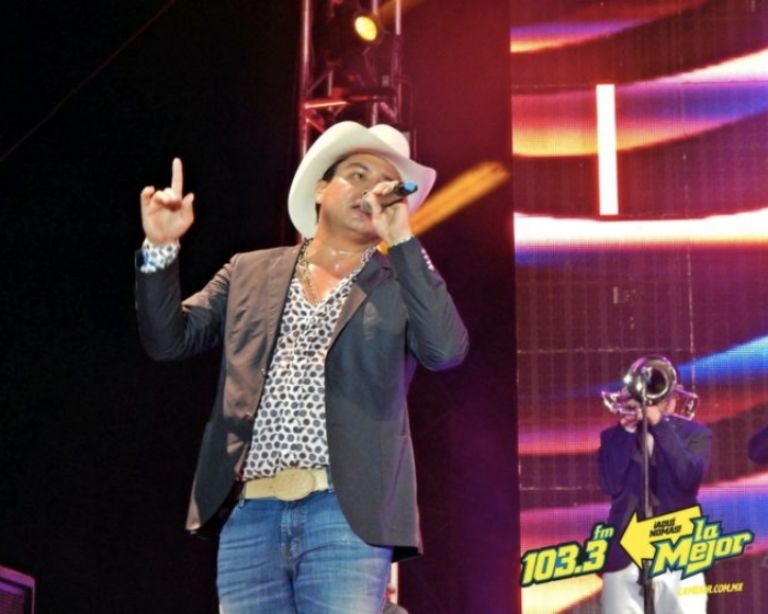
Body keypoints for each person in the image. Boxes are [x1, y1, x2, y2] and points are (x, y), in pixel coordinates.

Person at [134, 121, 469, 613]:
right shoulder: (248, 271)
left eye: (385, 185)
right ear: (319, 188)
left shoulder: (400, 284)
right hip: (250, 515)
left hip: (346, 516)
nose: (370, 192)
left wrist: (402, 239)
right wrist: (160, 250)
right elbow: (169, 340)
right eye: (357, 175)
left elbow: (446, 350)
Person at [598, 392, 711, 613]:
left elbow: (688, 477)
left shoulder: (696, 433)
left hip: (679, 548)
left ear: (674, 400)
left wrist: (658, 423)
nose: (652, 400)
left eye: (659, 393)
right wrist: (628, 430)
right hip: (624, 551)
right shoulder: (613, 436)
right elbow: (609, 485)